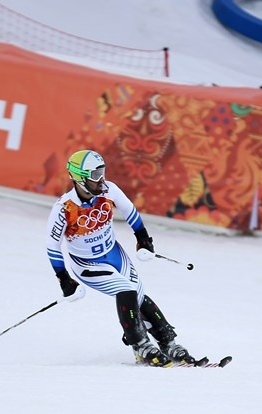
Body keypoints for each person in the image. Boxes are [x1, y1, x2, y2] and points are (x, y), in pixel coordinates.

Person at [45, 149, 196, 367]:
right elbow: (52, 245)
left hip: (115, 254)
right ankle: (140, 345)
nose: (102, 179)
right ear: (79, 178)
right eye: (95, 175)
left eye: (102, 172)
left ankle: (168, 342)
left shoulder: (109, 190)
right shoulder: (64, 208)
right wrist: (64, 278)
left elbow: (130, 211)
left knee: (140, 295)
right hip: (88, 264)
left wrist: (143, 238)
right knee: (126, 290)